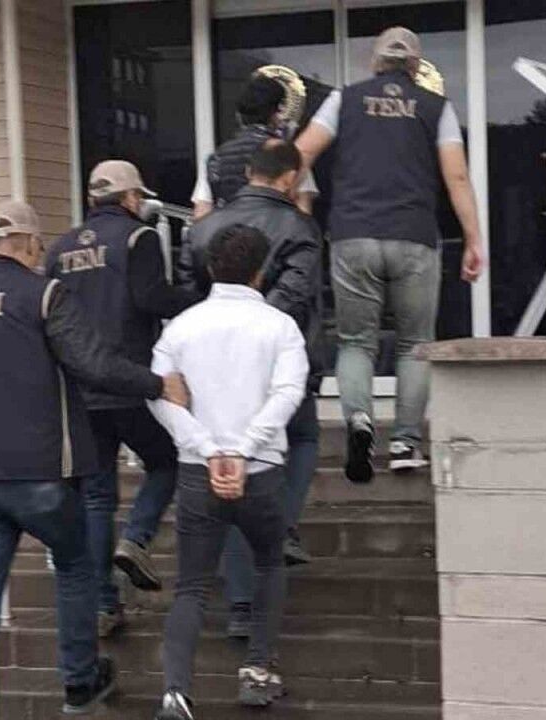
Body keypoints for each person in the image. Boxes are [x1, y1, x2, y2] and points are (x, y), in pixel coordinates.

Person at [0, 200, 188, 719]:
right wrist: (156, 384)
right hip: (38, 474)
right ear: (31, 246)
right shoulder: (44, 295)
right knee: (75, 562)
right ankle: (79, 681)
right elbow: (92, 364)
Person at [295, 26, 485, 482]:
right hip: (413, 236)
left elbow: (301, 152)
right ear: (416, 67)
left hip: (353, 235)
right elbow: (457, 177)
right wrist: (474, 238)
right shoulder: (436, 107)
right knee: (414, 343)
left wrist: (295, 206)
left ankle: (360, 425)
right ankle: (405, 443)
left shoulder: (343, 100)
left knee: (356, 341)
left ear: (374, 61)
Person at [148, 225, 308, 719]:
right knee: (270, 564)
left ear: (211, 268)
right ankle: (257, 672)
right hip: (261, 470)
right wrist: (242, 450)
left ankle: (175, 693)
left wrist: (207, 448)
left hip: (198, 472)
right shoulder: (281, 326)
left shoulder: (179, 327)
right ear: (262, 271)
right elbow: (288, 393)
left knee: (191, 586)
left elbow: (159, 395)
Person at [45, 160, 200, 638]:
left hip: (79, 389)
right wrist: (202, 296)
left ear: (93, 199)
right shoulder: (139, 237)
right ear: (132, 198)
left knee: (96, 498)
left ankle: (103, 606)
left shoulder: (60, 248)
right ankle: (136, 538)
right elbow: (152, 298)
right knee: (167, 461)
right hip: (129, 381)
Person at [183, 139, 322, 636]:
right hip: (279, 363)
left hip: (214, 372)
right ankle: (282, 525)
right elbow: (297, 296)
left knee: (231, 474)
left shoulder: (203, 229)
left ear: (247, 173)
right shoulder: (300, 228)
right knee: (301, 440)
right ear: (289, 179)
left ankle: (241, 606)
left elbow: (188, 297)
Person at [190, 73, 319, 220]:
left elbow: (202, 212)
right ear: (277, 114)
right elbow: (303, 209)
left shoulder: (216, 158)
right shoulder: (288, 155)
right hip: (275, 231)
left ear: (238, 116)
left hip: (227, 232)